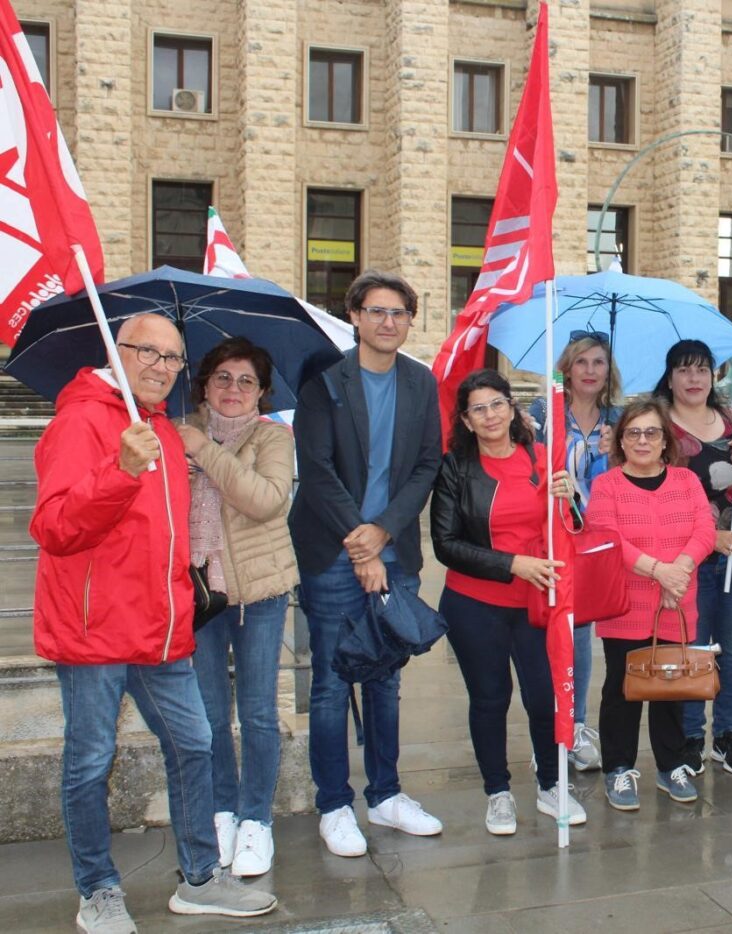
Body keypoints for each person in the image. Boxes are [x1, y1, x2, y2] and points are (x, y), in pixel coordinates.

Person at [30, 314, 277, 933]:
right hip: (94, 631)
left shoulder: (163, 430)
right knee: (90, 761)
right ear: (119, 351)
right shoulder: (81, 422)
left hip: (159, 630)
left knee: (194, 745)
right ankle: (98, 890)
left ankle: (198, 879)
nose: (162, 367)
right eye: (149, 352)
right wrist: (118, 469)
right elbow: (55, 527)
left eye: (172, 358)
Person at [289, 269, 443, 857]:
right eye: (377, 312)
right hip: (332, 548)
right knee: (330, 683)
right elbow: (318, 469)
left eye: (399, 313)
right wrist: (360, 541)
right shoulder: (324, 378)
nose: (388, 322)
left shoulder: (420, 382)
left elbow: (427, 464)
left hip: (394, 547)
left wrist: (383, 533)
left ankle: (386, 795)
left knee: (385, 677)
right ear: (354, 316)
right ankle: (334, 803)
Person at [430, 368, 587, 836]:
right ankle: (498, 792)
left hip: (539, 603)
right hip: (474, 602)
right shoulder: (456, 467)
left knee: (544, 698)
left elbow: (573, 529)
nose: (490, 414)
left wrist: (571, 498)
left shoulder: (541, 458)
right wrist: (511, 564)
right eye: (478, 408)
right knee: (490, 698)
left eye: (497, 403)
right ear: (466, 419)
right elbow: (444, 543)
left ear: (512, 407)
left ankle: (549, 783)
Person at [176, 337, 298, 877]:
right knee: (206, 716)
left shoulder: (272, 436)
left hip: (259, 596)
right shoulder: (174, 431)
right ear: (204, 384)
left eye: (246, 380)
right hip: (197, 596)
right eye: (222, 377)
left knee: (256, 713)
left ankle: (256, 820)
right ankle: (221, 810)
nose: (233, 389)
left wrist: (202, 451)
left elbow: (265, 499)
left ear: (262, 392)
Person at [586, 400, 715, 811]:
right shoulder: (607, 485)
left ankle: (671, 764)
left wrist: (679, 571)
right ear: (621, 440)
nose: (643, 440)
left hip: (678, 602)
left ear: (665, 440)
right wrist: (660, 571)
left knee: (671, 688)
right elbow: (606, 537)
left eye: (651, 432)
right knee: (623, 689)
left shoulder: (686, 480)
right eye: (633, 433)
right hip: (626, 604)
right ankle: (618, 769)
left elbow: (705, 529)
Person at [528, 331, 623, 773]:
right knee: (544, 634)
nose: (589, 370)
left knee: (580, 634)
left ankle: (577, 723)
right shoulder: (544, 412)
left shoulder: (618, 420)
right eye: (581, 361)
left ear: (608, 371)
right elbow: (526, 470)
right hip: (549, 536)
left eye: (598, 362)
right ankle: (546, 733)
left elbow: (630, 481)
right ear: (567, 366)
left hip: (594, 540)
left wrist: (614, 455)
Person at [654, 339, 732, 775]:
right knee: (691, 649)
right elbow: (657, 497)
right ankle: (690, 738)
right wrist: (707, 537)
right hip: (685, 561)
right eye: (684, 370)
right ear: (670, 377)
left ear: (714, 377)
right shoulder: (657, 427)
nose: (693, 379)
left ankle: (726, 737)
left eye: (702, 370)